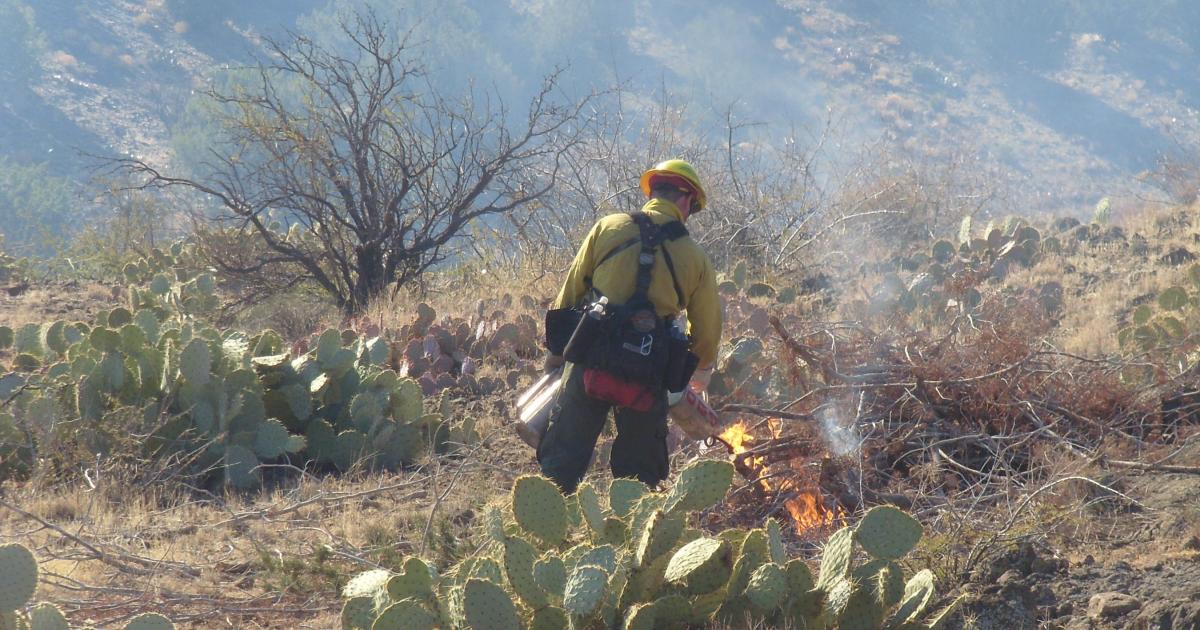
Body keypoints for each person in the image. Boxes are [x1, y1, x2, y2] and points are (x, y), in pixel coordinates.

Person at [538, 159, 722, 493]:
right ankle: (630, 538)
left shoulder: (608, 227)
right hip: (648, 377)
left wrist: (556, 359)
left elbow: (567, 299)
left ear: (652, 191)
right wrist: (699, 375)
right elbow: (707, 335)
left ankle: (543, 537)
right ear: (686, 201)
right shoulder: (696, 258)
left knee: (560, 464)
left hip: (590, 359)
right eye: (693, 207)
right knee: (639, 479)